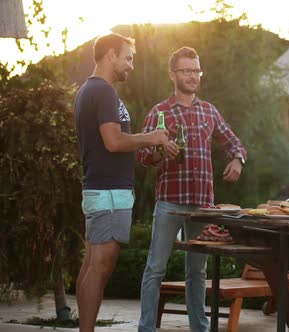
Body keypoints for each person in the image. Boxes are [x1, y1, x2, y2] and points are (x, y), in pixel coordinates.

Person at [137, 46, 247, 332]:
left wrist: (237, 159)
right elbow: (143, 157)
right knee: (155, 269)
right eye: (186, 70)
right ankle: (146, 328)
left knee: (197, 272)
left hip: (202, 207)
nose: (192, 75)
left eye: (196, 70)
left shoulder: (209, 112)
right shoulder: (159, 112)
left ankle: (199, 327)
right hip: (170, 203)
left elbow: (233, 142)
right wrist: (161, 153)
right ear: (172, 74)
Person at [73, 33, 175, 332]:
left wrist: (146, 144)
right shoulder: (102, 91)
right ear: (110, 55)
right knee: (100, 266)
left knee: (92, 264)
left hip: (103, 189)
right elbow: (113, 141)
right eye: (128, 57)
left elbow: (113, 141)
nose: (131, 65)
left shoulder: (91, 90)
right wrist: (151, 137)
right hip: (108, 191)